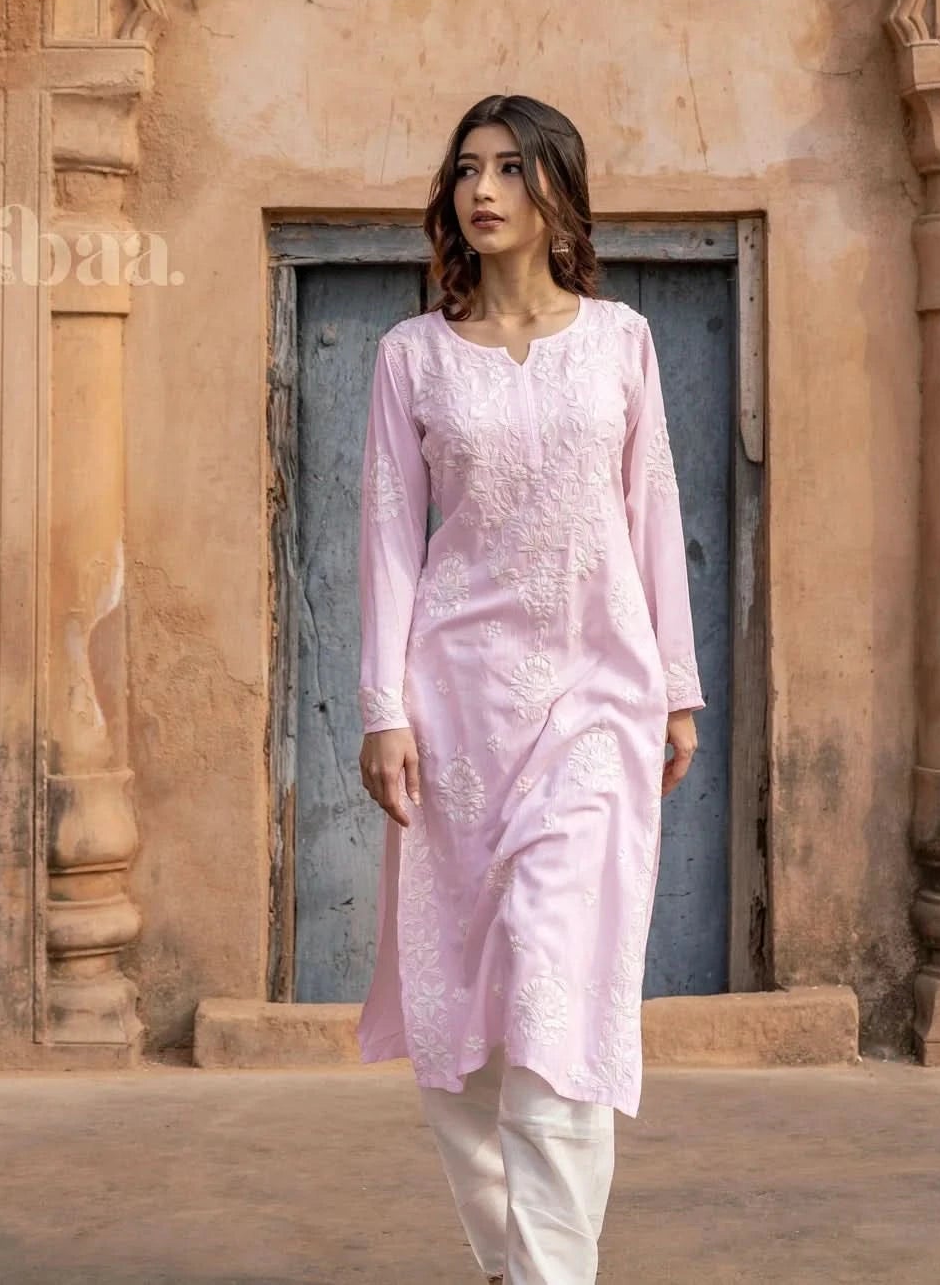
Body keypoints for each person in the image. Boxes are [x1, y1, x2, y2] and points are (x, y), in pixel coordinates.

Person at [356, 91, 704, 1285]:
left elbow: (652, 509)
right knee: (459, 1003)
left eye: (510, 167)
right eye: (466, 169)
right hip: (452, 709)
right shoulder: (412, 358)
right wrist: (381, 710)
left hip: (597, 703)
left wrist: (676, 684)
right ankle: (512, 1261)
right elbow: (391, 537)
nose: (483, 189)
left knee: (559, 988)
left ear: (557, 187)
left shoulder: (622, 342)